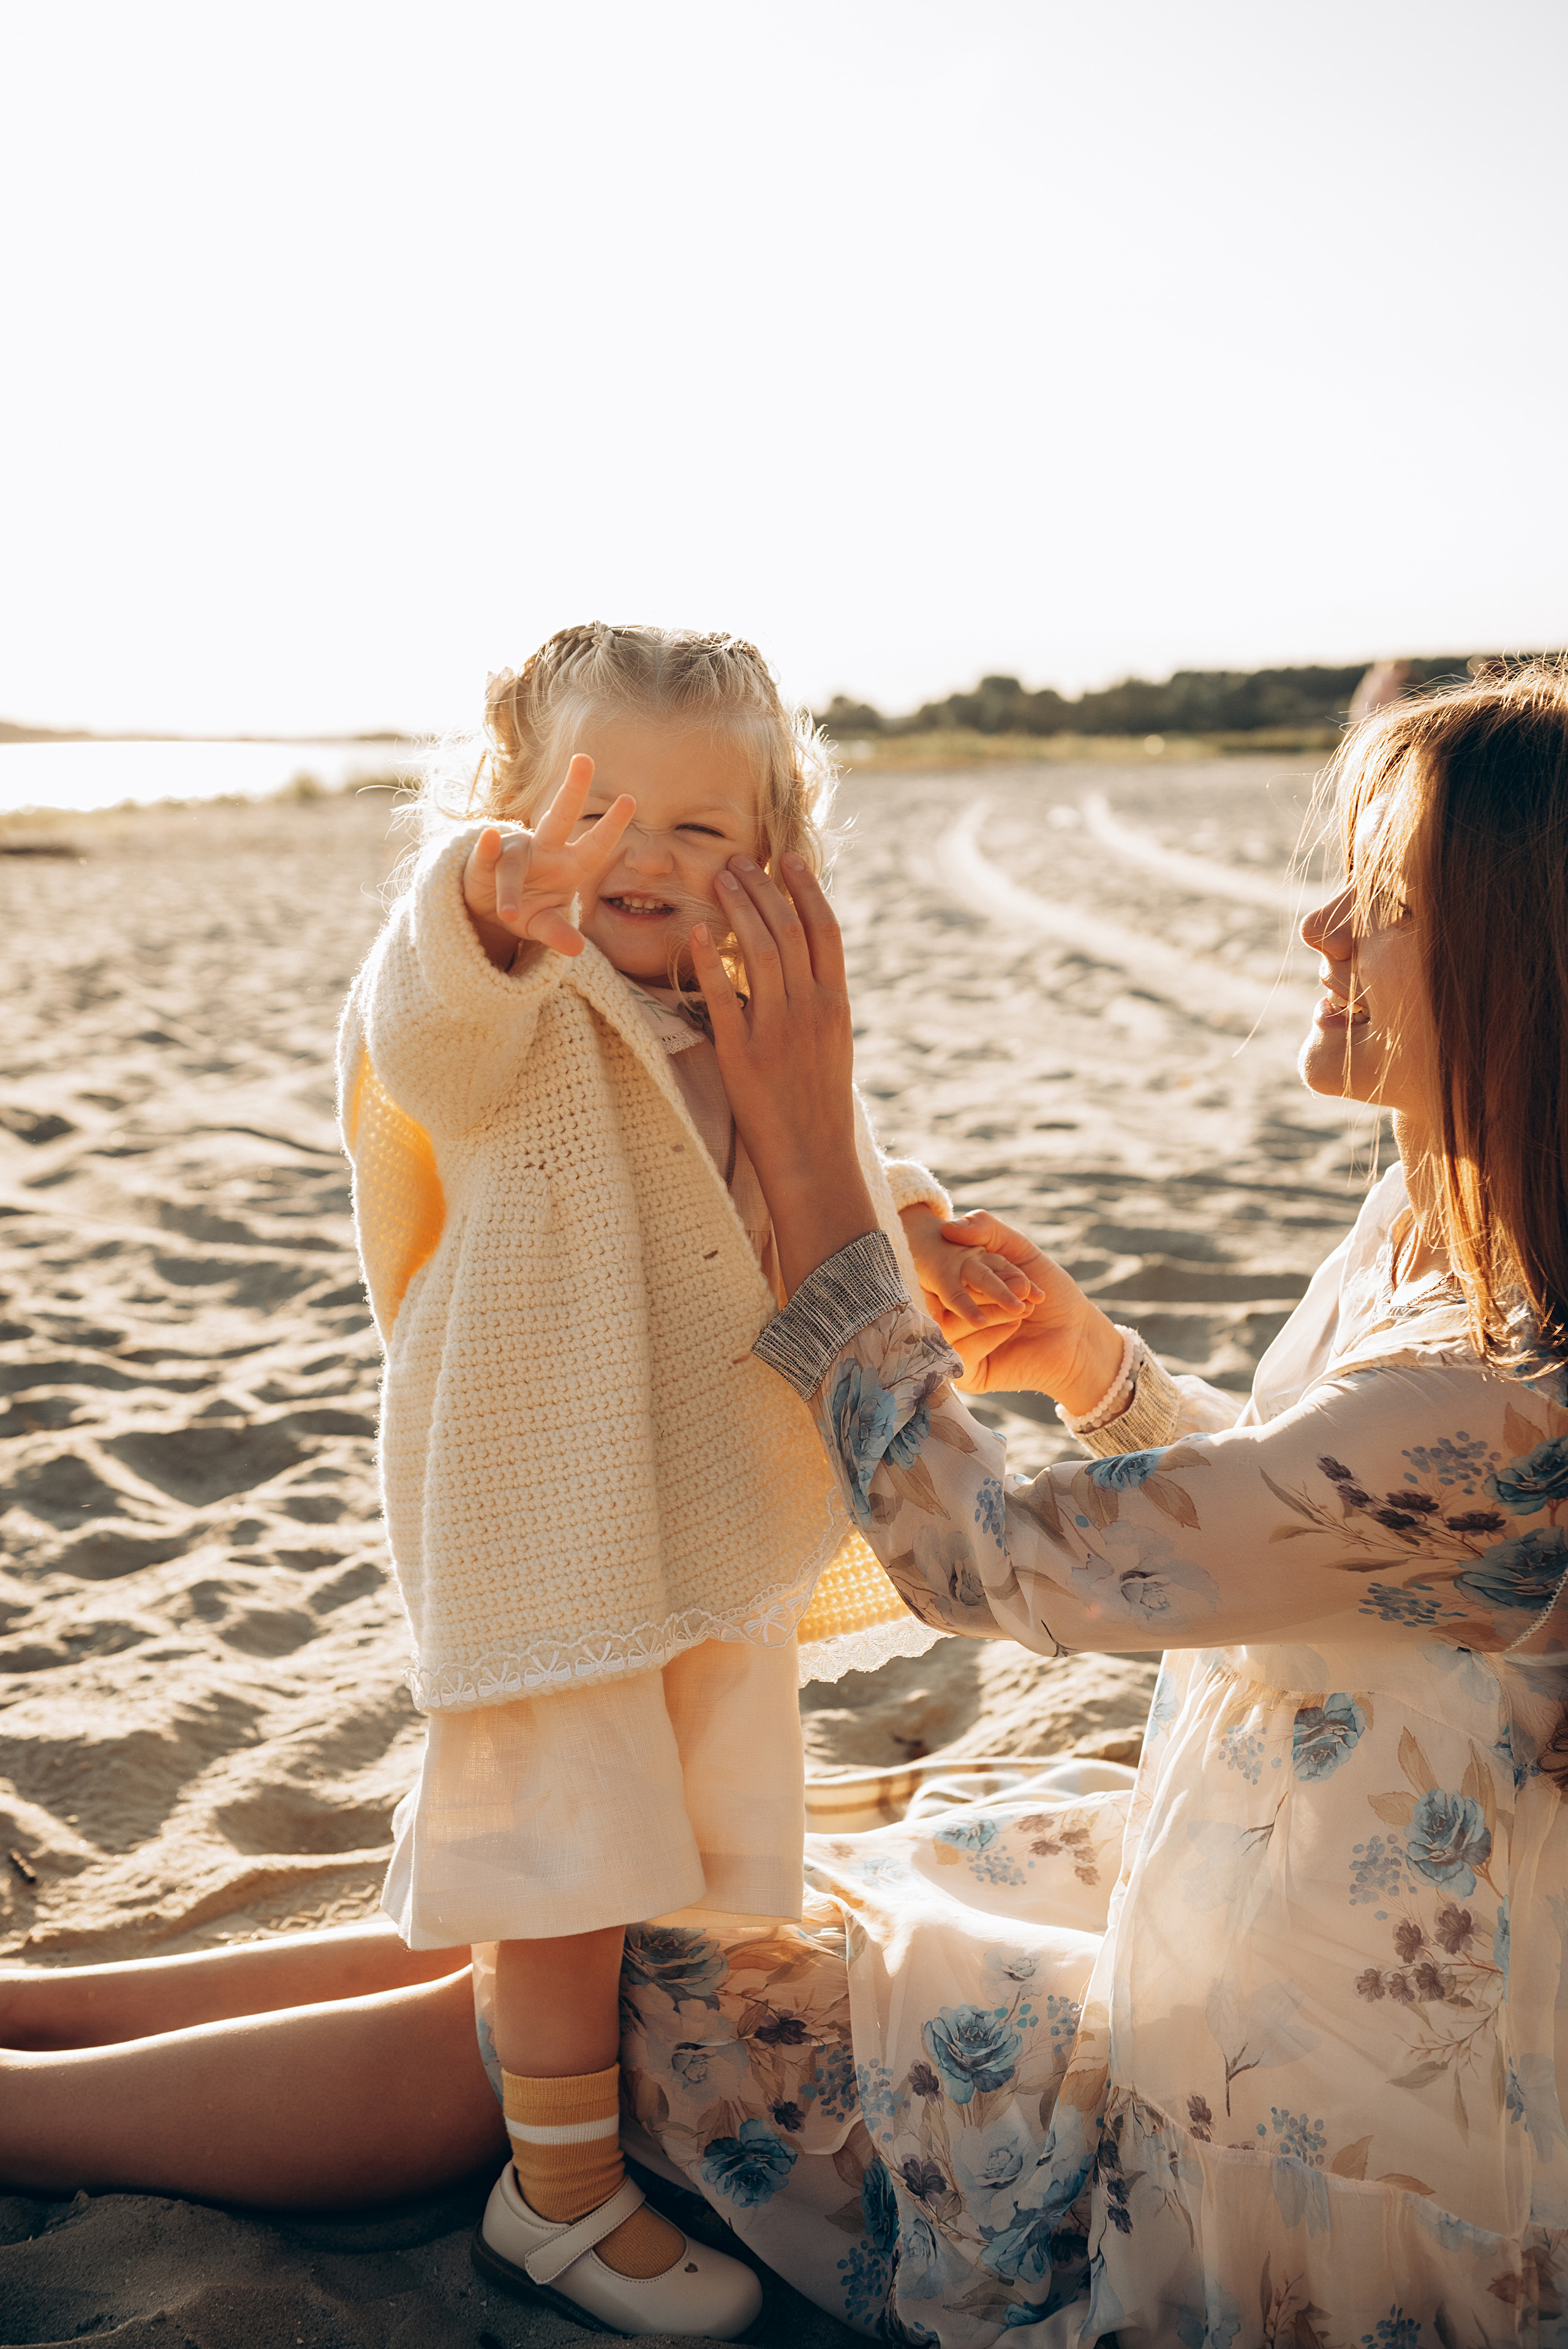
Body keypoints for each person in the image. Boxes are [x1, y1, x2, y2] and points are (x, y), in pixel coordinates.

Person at [5, 661, 1566, 2344]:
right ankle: (39, 2008)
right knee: (607, 1905)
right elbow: (1316, 1532)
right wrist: (1092, 1360)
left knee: (606, 1977)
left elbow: (1000, 1567)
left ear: (1528, 972)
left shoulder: (1503, 1400)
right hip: (1223, 1882)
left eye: (1389, 897)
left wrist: (814, 1150)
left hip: (1294, 2096)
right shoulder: (1445, 1218)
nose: (1321, 923)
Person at [333, 621, 1030, 2336]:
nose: (640, 859)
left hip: (700, 1496)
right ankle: (553, 2197)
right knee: (570, 1851)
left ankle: (589, 2106)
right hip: (546, 1504)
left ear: (774, 852)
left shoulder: (729, 997)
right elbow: (415, 1033)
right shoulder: (516, 997)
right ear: (504, 816)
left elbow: (809, 1156)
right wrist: (490, 903)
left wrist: (911, 1225)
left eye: (702, 831)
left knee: (675, 1820)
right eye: (591, 812)